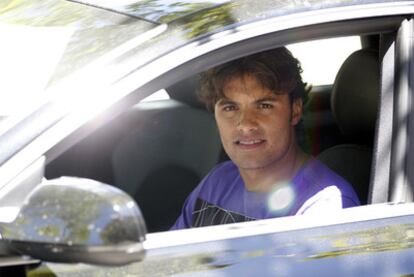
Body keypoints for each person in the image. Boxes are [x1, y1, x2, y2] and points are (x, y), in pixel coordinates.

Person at [171, 47, 360, 229]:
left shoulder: (323, 209)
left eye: (264, 106)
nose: (245, 124)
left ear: (295, 111)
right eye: (230, 108)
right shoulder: (216, 183)